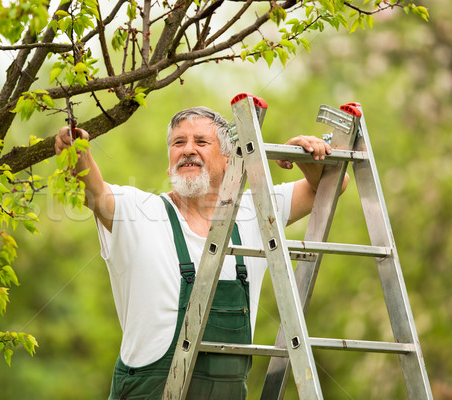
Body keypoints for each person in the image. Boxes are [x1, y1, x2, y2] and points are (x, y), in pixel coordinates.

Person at [54, 105, 348, 399]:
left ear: (227, 160)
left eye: (201, 142)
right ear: (168, 163)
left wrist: (304, 155)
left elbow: (334, 184)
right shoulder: (140, 211)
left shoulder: (253, 210)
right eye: (178, 143)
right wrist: (76, 151)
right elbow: (92, 189)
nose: (188, 150)